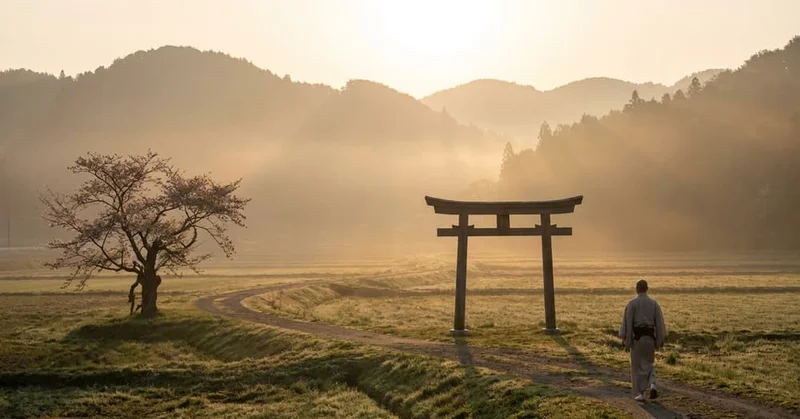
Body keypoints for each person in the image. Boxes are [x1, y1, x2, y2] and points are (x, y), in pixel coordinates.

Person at [618, 279, 667, 402]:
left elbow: (627, 322)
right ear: (647, 288)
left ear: (636, 289)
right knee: (649, 363)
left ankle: (641, 393)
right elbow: (659, 323)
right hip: (650, 338)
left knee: (638, 366)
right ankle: (653, 384)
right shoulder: (654, 303)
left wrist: (625, 339)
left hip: (637, 339)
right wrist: (659, 339)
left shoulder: (632, 303)